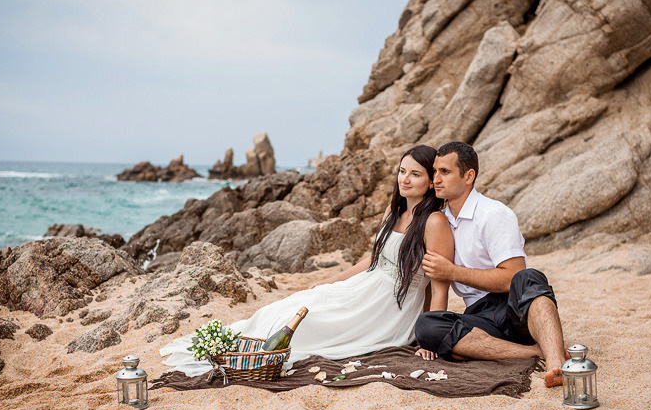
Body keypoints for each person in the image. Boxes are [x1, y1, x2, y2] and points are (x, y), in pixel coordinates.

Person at [160, 145, 454, 376]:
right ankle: (228, 347)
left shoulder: (434, 222)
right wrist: (330, 281)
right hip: (364, 289)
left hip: (389, 308)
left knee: (309, 325)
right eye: (402, 171)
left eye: (415, 174)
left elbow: (439, 288)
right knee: (289, 307)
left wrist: (430, 337)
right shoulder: (393, 213)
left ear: (431, 182)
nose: (405, 178)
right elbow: (373, 260)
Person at [413, 142, 567, 387]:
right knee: (427, 326)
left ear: (468, 176)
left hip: (515, 310)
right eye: (435, 172)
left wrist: (452, 271)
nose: (436, 179)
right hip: (480, 318)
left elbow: (511, 277)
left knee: (529, 277)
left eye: (445, 171)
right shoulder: (441, 222)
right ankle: (535, 352)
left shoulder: (493, 213)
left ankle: (556, 363)